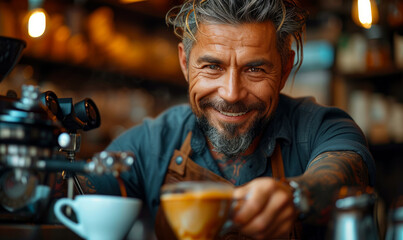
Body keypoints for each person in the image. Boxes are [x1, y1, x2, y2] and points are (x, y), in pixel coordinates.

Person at [80, 0, 375, 239]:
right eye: (212, 66)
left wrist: (294, 196)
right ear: (185, 62)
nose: (232, 93)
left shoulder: (322, 128)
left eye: (255, 69)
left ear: (285, 69)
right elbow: (78, 196)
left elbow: (346, 171)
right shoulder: (150, 142)